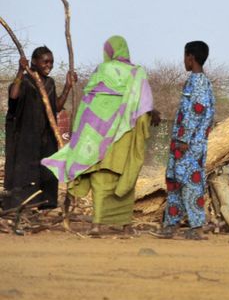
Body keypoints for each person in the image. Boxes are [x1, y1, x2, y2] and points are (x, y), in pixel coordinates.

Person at [42, 36, 158, 236]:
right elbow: (144, 105)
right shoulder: (136, 72)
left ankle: (96, 225)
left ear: (109, 51)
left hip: (97, 133)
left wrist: (80, 133)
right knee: (122, 173)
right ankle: (125, 225)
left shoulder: (101, 70)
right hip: (124, 133)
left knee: (99, 177)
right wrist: (150, 115)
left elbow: (88, 103)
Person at [3, 46, 77, 211]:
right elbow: (13, 96)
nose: (49, 65)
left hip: (46, 138)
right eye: (45, 61)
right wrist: (20, 71)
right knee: (24, 174)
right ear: (34, 62)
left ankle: (45, 206)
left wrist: (68, 86)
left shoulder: (49, 83)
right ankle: (21, 207)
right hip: (25, 138)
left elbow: (55, 107)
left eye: (51, 62)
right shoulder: (25, 81)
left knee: (48, 172)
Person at [159, 41, 216, 240]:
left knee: (190, 183)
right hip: (184, 143)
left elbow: (196, 112)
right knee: (175, 182)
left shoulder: (198, 82)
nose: (183, 61)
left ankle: (197, 226)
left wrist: (183, 140)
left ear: (190, 58)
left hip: (189, 145)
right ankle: (171, 225)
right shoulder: (195, 80)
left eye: (185, 57)